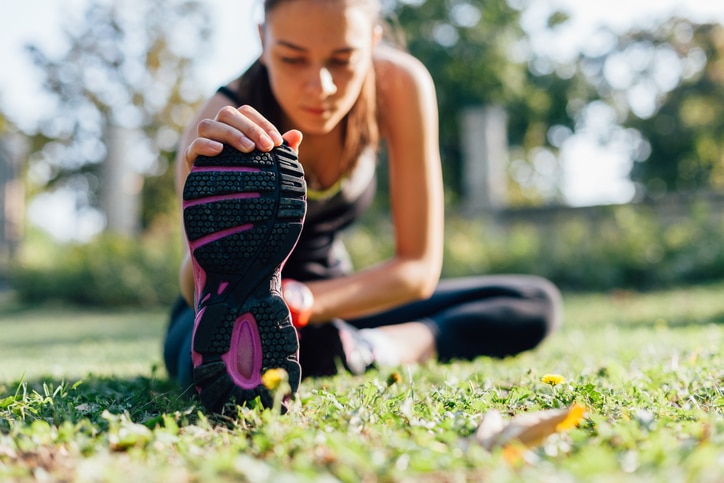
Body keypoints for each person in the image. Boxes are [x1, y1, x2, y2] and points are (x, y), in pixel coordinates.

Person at [164, 0, 562, 413]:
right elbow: (190, 285)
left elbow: (418, 269)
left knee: (532, 301)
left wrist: (307, 301)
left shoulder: (400, 84)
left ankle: (369, 349)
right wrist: (204, 215)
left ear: (373, 42)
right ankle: (314, 348)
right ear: (263, 40)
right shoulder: (219, 124)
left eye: (343, 59)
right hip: (224, 308)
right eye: (292, 58)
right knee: (207, 368)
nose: (320, 86)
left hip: (334, 297)